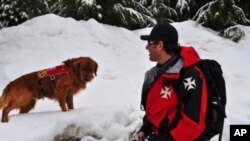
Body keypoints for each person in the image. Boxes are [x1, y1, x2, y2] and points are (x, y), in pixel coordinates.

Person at [137, 23, 208, 141]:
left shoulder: (188, 75)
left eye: (149, 43)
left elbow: (193, 125)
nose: (146, 47)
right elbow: (157, 109)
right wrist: (145, 129)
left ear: (160, 45)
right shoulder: (158, 72)